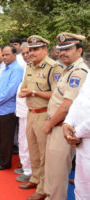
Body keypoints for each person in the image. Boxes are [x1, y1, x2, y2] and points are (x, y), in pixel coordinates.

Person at [43, 33, 88, 200]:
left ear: (79, 51)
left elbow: (67, 106)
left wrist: (49, 124)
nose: (63, 53)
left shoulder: (79, 72)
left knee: (58, 173)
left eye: (68, 49)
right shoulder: (67, 69)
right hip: (56, 126)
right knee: (52, 170)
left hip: (63, 127)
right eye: (61, 49)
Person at [18, 35, 63, 200]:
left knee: (45, 155)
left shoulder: (53, 68)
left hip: (44, 114)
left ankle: (44, 188)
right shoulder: (29, 66)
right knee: (33, 151)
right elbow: (24, 87)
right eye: (30, 50)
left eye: (36, 49)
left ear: (45, 49)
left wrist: (34, 92)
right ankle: (35, 179)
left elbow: (57, 95)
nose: (32, 53)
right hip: (30, 113)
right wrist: (24, 92)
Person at [0, 45, 23, 170]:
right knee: (1, 135)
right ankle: (1, 156)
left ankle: (5, 162)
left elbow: (11, 90)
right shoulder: (6, 68)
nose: (4, 57)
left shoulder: (17, 69)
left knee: (7, 138)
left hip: (8, 109)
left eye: (7, 54)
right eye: (3, 55)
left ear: (14, 55)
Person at [63, 73, 90, 200]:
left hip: (82, 136)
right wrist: (67, 122)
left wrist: (75, 133)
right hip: (81, 141)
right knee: (81, 187)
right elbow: (79, 100)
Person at [14, 42, 32, 182]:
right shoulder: (26, 67)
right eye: (24, 53)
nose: (25, 56)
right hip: (22, 111)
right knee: (22, 140)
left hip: (30, 112)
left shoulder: (36, 68)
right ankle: (25, 165)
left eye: (28, 53)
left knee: (28, 142)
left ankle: (29, 170)